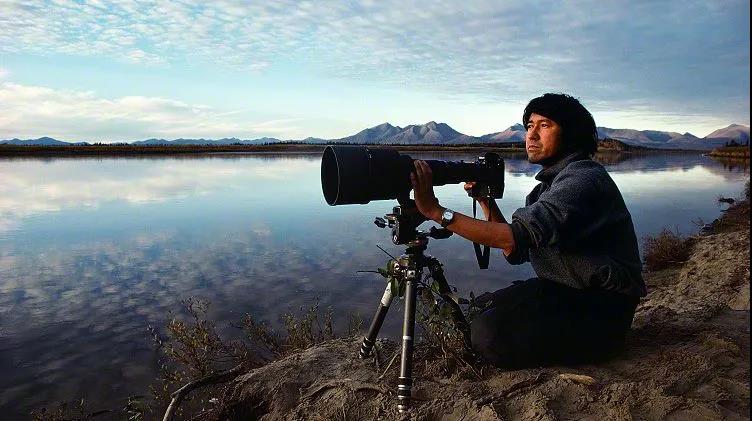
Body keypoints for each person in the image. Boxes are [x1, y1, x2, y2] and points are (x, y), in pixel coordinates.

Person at [410, 93, 646, 368]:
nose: (531, 135)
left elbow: (511, 238)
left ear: (571, 133)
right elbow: (515, 251)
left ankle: (599, 347)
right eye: (529, 126)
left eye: (544, 125)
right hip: (564, 290)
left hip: (603, 308)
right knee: (476, 308)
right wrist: (486, 202)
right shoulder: (544, 189)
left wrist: (437, 212)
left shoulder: (583, 179)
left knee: (488, 335)